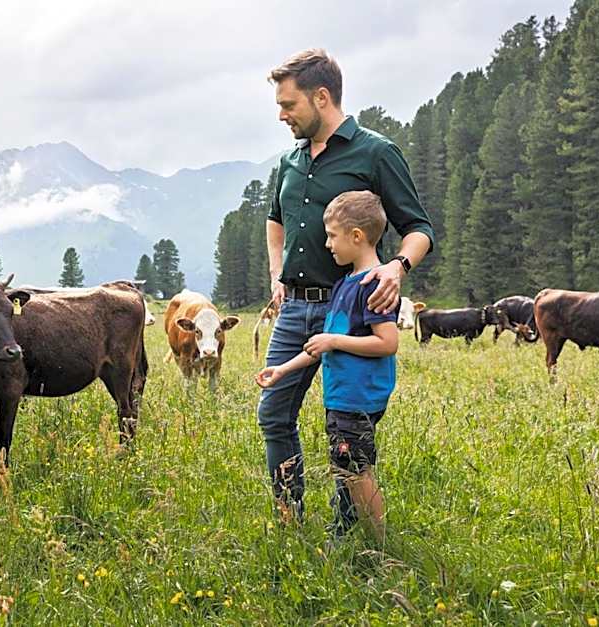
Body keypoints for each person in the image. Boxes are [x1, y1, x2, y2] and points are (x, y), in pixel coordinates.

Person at [258, 49, 434, 522]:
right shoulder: (289, 161)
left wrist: (397, 267)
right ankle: (288, 515)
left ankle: (348, 529)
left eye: (289, 104)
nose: (281, 114)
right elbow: (275, 221)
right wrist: (277, 275)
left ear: (321, 96)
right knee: (274, 415)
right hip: (294, 309)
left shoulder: (376, 152)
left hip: (351, 313)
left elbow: (419, 228)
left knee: (345, 427)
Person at [258, 190, 397, 540]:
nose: (327, 244)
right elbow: (319, 346)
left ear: (357, 236)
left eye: (332, 236)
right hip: (342, 398)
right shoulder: (343, 285)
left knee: (357, 471)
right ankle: (348, 535)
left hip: (358, 398)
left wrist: (334, 341)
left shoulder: (373, 284)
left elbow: (387, 342)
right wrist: (283, 370)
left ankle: (378, 544)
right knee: (347, 466)